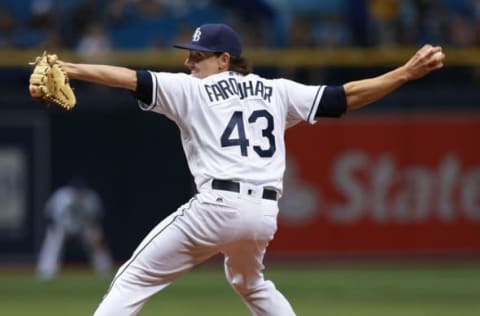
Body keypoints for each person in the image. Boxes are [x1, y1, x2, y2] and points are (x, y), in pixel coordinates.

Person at [55, 23, 444, 315]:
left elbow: (129, 78)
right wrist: (405, 73)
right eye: (190, 54)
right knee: (249, 281)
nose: (189, 61)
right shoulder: (277, 91)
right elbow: (345, 97)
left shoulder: (190, 89)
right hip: (262, 216)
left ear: (225, 60)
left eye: (199, 55)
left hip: (216, 206)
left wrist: (69, 67)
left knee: (135, 277)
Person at [36, 177, 113, 280]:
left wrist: (95, 235)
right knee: (53, 242)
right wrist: (54, 229)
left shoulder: (91, 198)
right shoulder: (61, 196)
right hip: (62, 226)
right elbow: (49, 214)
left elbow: (97, 216)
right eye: (76, 190)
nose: (78, 192)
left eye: (80, 190)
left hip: (84, 226)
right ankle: (46, 272)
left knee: (97, 240)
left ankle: (105, 270)